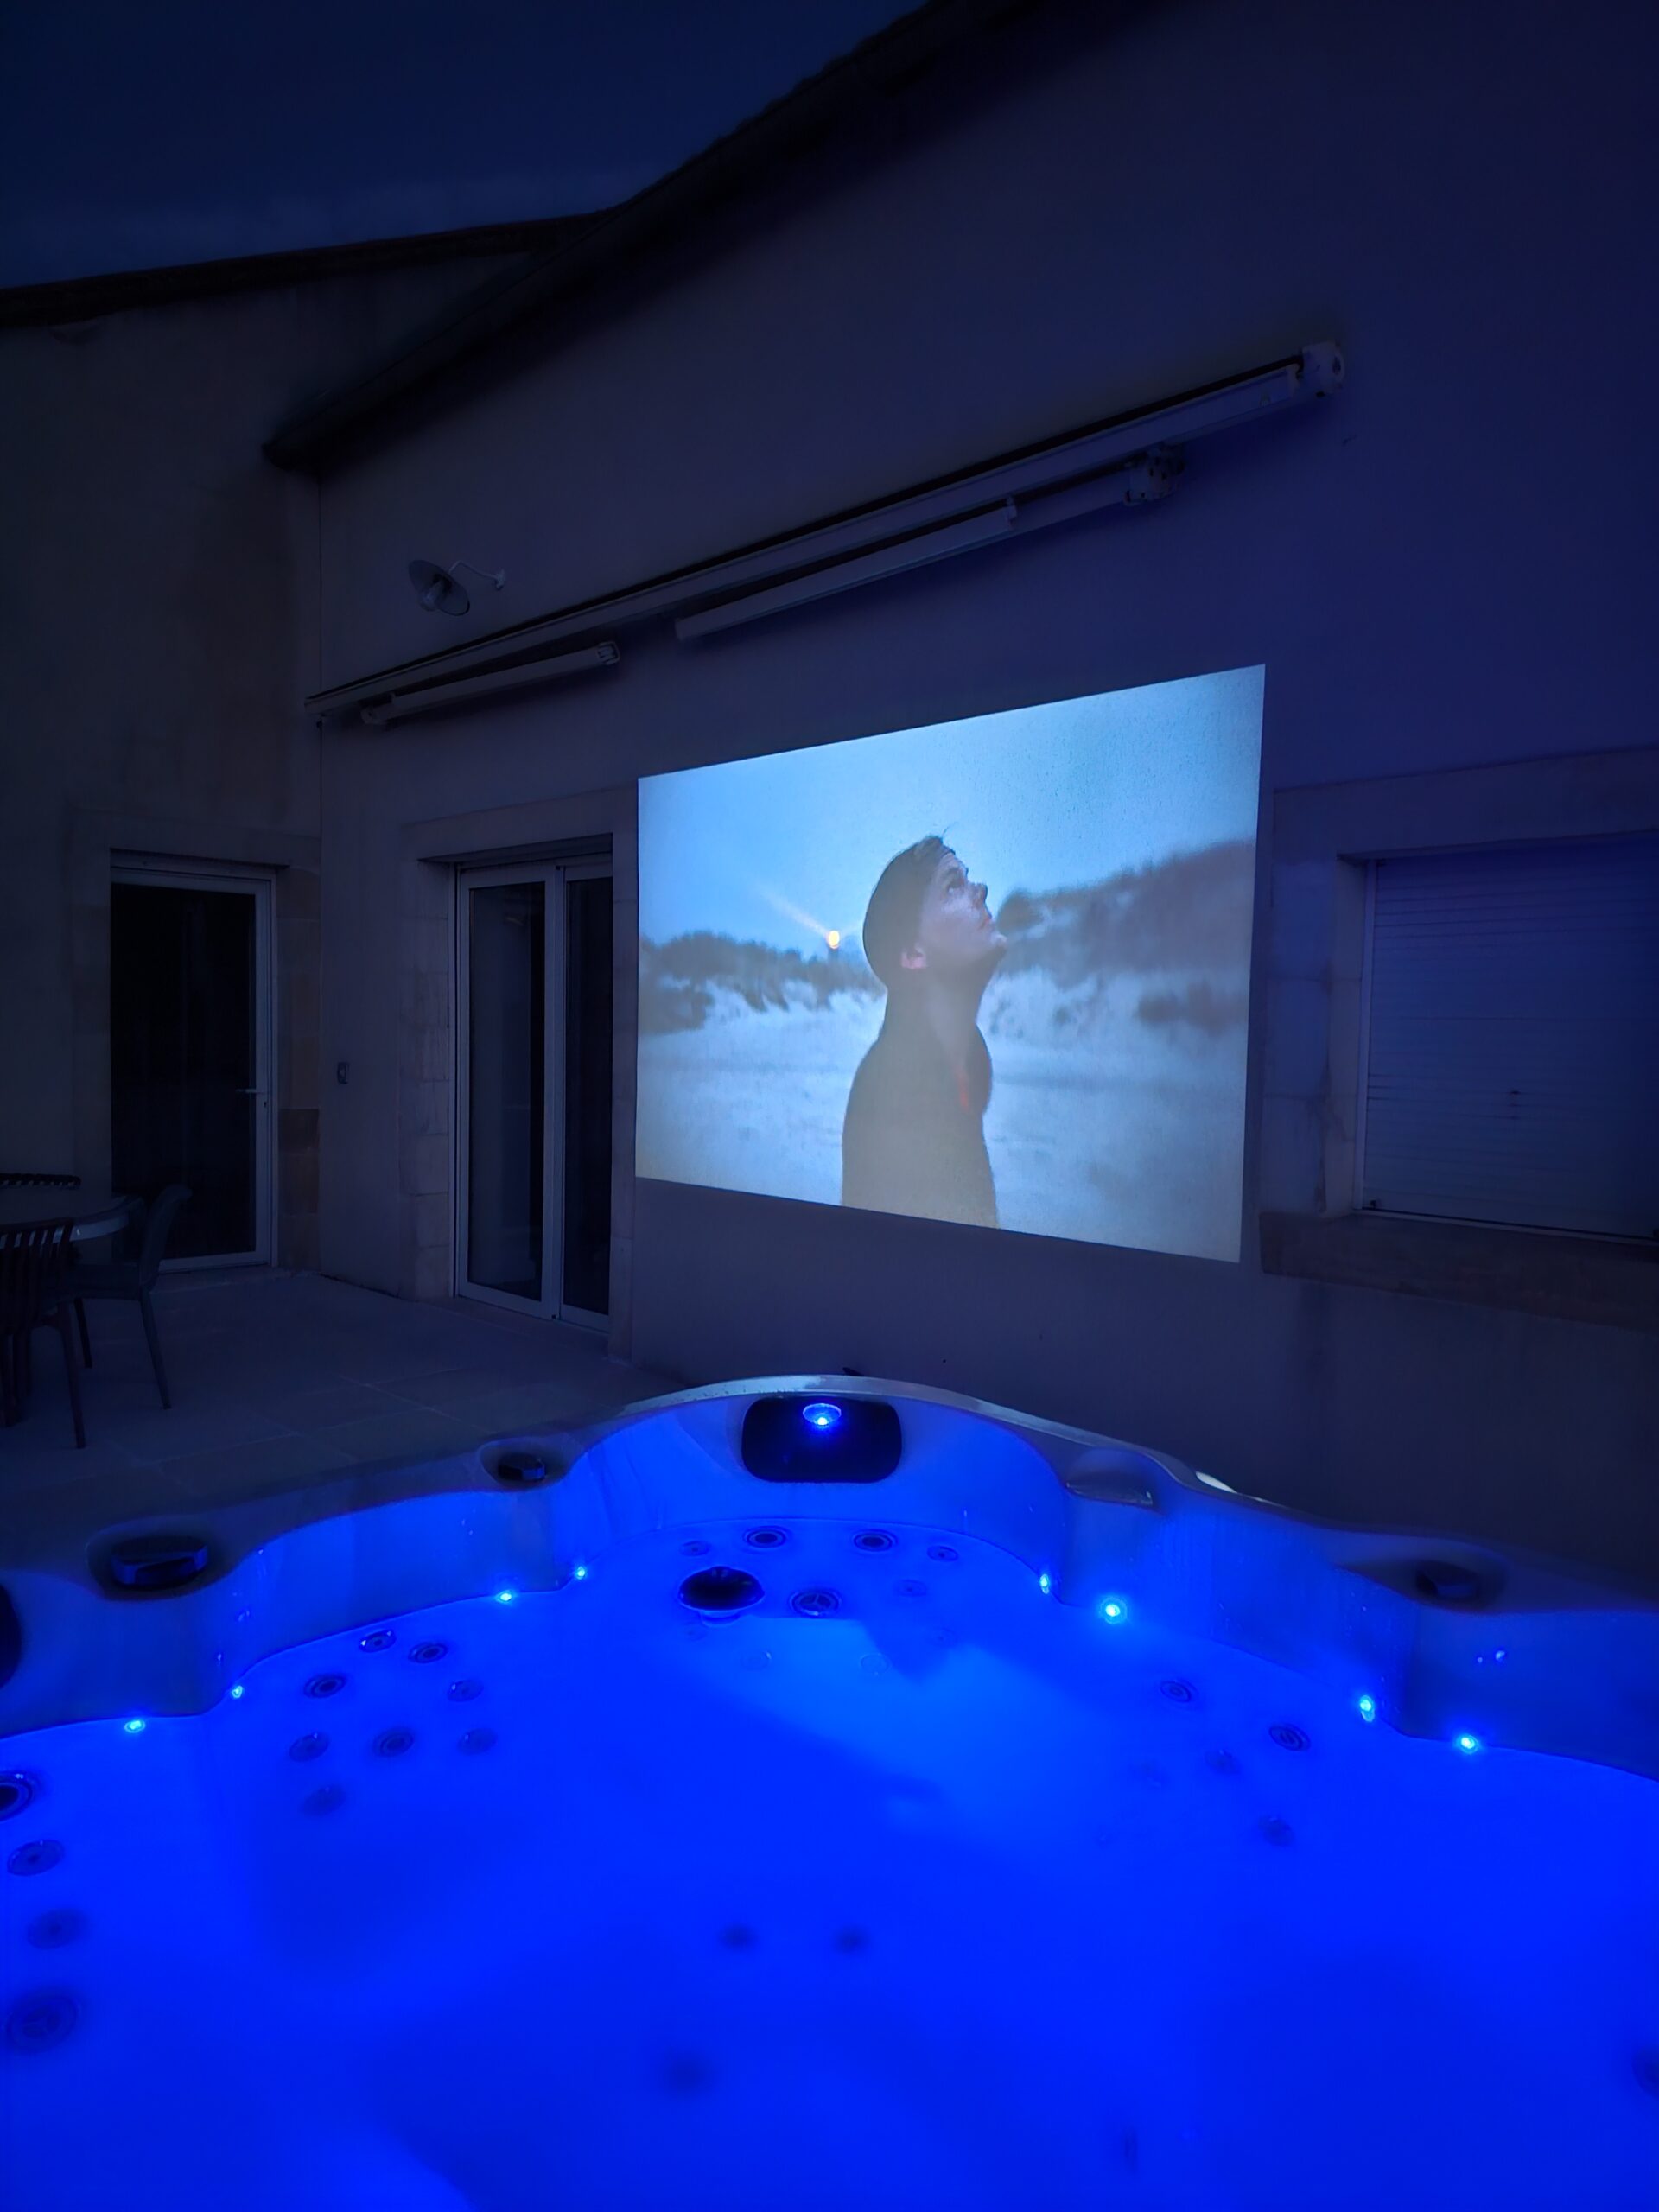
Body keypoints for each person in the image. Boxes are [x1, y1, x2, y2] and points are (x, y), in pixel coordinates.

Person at [842, 835, 1007, 1228]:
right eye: (953, 886)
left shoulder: (962, 1058)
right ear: (914, 953)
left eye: (968, 878)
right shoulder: (891, 1089)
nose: (980, 890)